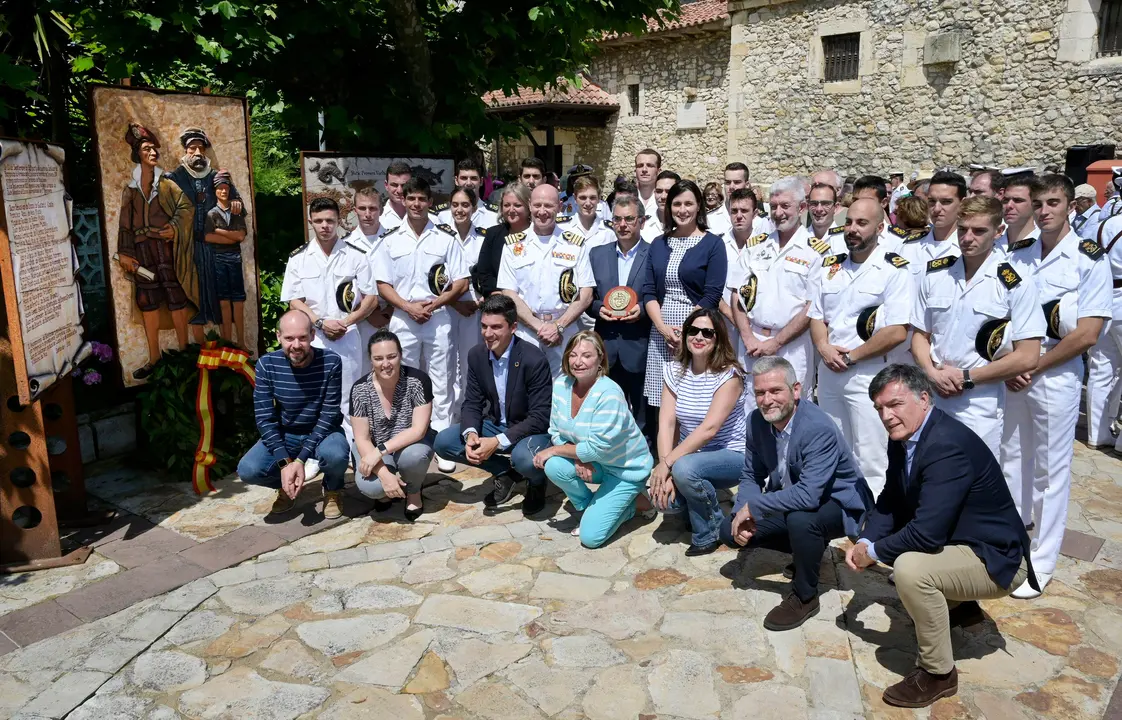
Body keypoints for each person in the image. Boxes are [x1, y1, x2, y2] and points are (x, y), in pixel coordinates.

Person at [848, 364, 1034, 709]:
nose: (887, 416)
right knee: (907, 565)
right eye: (880, 408)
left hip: (997, 559)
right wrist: (865, 538)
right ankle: (962, 606)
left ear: (924, 397)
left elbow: (926, 534)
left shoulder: (946, 445)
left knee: (910, 572)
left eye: (895, 404)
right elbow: (892, 495)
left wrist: (873, 551)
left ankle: (938, 674)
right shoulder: (907, 436)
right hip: (964, 541)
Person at [1001, 174, 1112, 597]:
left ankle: (1042, 563)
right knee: (1012, 460)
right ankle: (1011, 544)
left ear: (1069, 206)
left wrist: (1036, 363)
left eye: (1054, 203)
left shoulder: (1088, 257)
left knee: (1049, 471)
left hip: (1056, 375)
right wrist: (1014, 362)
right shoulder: (1019, 254)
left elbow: (1087, 333)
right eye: (1040, 203)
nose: (1045, 210)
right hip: (1017, 372)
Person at [725, 357, 873, 630]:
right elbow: (751, 474)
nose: (767, 400)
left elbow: (809, 496)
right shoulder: (756, 422)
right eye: (760, 392)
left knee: (801, 521)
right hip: (795, 497)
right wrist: (740, 513)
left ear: (795, 390)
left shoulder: (817, 427)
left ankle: (805, 596)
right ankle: (810, 548)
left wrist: (755, 506)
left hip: (839, 502)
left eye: (775, 391)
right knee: (730, 532)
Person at [911, 196, 1045, 448]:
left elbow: (1028, 355)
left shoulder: (1014, 283)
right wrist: (931, 372)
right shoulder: (936, 274)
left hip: (979, 401)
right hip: (932, 393)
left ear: (999, 232)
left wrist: (967, 377)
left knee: (974, 480)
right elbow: (920, 334)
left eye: (979, 231)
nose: (967, 237)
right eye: (962, 229)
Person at [809, 198, 912, 497]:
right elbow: (817, 315)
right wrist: (824, 347)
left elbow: (896, 331)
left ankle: (872, 523)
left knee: (870, 453)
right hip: (829, 371)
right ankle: (840, 511)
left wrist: (852, 357)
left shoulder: (893, 270)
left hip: (868, 374)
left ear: (880, 227)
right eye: (849, 222)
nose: (852, 229)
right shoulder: (832, 266)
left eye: (861, 223)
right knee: (834, 447)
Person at [372, 177, 469, 452]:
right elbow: (382, 284)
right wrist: (407, 307)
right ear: (403, 200)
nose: (416, 204)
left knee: (442, 379)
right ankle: (405, 438)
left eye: (421, 199)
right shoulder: (390, 240)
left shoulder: (445, 237)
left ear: (430, 202)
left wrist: (436, 304)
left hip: (437, 317)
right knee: (402, 379)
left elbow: (462, 282)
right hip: (404, 319)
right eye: (411, 198)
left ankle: (442, 441)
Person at [434, 295, 553, 515]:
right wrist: (471, 433)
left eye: (496, 327)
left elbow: (540, 417)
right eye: (484, 326)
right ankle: (504, 472)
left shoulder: (534, 359)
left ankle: (536, 483)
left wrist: (496, 442)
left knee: (524, 459)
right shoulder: (477, 355)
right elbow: (472, 402)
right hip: (496, 424)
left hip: (530, 430)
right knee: (444, 442)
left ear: (513, 327)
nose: (488, 334)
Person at [536, 331, 654, 548]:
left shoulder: (609, 393)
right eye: (573, 355)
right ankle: (590, 508)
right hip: (594, 460)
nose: (578, 362)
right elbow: (555, 431)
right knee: (554, 466)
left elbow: (597, 448)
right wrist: (580, 457)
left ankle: (635, 502)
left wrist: (556, 450)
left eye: (586, 356)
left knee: (590, 539)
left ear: (600, 358)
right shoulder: (561, 384)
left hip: (625, 469)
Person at [649, 308, 747, 555]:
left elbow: (709, 430)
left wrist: (670, 464)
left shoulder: (729, 375)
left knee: (685, 470)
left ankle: (710, 531)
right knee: (659, 494)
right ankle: (692, 507)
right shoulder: (673, 370)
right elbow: (667, 423)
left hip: (731, 454)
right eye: (693, 331)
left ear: (718, 339)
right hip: (690, 455)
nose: (699, 337)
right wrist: (664, 466)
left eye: (707, 332)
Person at [283, 197, 379, 443]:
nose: (324, 225)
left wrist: (346, 322)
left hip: (347, 335)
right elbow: (295, 300)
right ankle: (316, 450)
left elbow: (371, 299)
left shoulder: (356, 255)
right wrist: (318, 322)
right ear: (310, 222)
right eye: (319, 221)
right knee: (314, 395)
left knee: (350, 394)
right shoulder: (298, 258)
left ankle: (353, 447)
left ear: (339, 221)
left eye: (329, 220)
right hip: (314, 338)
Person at [238, 310, 351, 519]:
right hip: (287, 433)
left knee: (336, 455)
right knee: (248, 469)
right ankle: (287, 485)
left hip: (324, 432)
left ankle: (333, 488)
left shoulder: (331, 362)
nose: (296, 345)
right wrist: (284, 463)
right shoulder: (267, 364)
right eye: (289, 338)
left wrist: (299, 461)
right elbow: (265, 418)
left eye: (302, 337)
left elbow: (329, 414)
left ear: (313, 336)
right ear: (278, 336)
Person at [729, 178, 829, 405]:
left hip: (791, 347)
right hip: (751, 345)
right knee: (751, 411)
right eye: (774, 207)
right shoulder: (756, 245)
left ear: (802, 208)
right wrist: (746, 336)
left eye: (785, 206)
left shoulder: (815, 252)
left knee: (790, 410)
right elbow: (737, 293)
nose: (778, 212)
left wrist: (777, 342)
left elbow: (812, 305)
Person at [641, 179, 728, 432]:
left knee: (693, 402)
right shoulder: (659, 243)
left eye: (688, 203)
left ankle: (690, 461)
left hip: (698, 330)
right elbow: (649, 291)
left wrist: (687, 331)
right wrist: (662, 328)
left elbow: (712, 294)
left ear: (698, 206)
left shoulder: (713, 244)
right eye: (676, 204)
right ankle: (665, 461)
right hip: (662, 331)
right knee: (664, 405)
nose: (682, 209)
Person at [116, 123, 196, 379]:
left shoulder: (167, 183)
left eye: (153, 148)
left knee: (175, 295)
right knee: (147, 301)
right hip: (141, 252)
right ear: (137, 154)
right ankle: (154, 358)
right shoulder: (130, 189)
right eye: (147, 149)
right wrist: (125, 253)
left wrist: (174, 228)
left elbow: (186, 208)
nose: (152, 153)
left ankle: (184, 354)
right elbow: (124, 225)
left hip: (165, 248)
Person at [498, 184, 595, 375]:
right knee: (525, 392)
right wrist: (541, 328)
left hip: (565, 330)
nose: (542, 212)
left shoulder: (575, 244)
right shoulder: (512, 245)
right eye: (538, 205)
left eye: (549, 206)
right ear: (530, 205)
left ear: (559, 206)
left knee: (565, 390)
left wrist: (558, 327)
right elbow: (509, 293)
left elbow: (586, 294)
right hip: (527, 331)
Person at [166, 127, 246, 344]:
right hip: (189, 244)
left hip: (215, 248)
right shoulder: (176, 176)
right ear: (186, 151)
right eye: (193, 148)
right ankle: (198, 343)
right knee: (193, 286)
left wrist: (237, 202)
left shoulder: (214, 175)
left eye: (201, 148)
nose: (198, 153)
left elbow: (233, 197)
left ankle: (226, 340)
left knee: (219, 290)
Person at [350, 329, 435, 522]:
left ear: (401, 355)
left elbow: (418, 430)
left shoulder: (418, 381)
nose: (386, 364)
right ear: (370, 360)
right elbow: (362, 438)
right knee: (372, 487)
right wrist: (384, 474)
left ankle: (413, 491)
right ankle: (386, 491)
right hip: (372, 446)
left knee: (415, 458)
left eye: (392, 356)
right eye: (378, 358)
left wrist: (379, 451)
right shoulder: (359, 389)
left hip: (410, 443)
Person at [587, 195, 652, 438]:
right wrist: (596, 309)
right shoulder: (596, 254)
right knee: (606, 409)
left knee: (642, 413)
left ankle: (644, 453)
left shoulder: (655, 253)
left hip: (639, 344)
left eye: (629, 219)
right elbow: (588, 296)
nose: (623, 224)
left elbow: (661, 295)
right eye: (617, 219)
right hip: (606, 344)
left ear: (641, 222)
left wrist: (643, 309)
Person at [445, 187, 489, 416]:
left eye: (465, 205)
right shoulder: (440, 236)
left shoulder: (483, 238)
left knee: (472, 361)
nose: (459, 210)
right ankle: (449, 416)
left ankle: (471, 412)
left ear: (473, 208)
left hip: (474, 309)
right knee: (446, 364)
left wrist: (480, 302)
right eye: (455, 204)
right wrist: (454, 303)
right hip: (446, 308)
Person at [203, 170, 248, 346]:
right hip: (219, 259)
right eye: (220, 189)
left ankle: (242, 342)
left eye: (226, 188)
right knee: (224, 301)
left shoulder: (236, 211)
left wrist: (219, 231)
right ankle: (228, 341)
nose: (223, 192)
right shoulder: (211, 214)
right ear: (215, 191)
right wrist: (231, 236)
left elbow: (241, 236)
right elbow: (208, 237)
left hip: (235, 258)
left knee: (238, 300)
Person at [343, 186, 394, 337]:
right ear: (355, 210)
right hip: (360, 318)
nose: (367, 214)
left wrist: (390, 310)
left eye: (372, 208)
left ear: (381, 210)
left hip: (394, 314)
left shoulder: (394, 240)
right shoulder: (346, 245)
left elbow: (404, 277)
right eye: (362, 208)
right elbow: (346, 284)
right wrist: (368, 313)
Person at [899, 171, 965, 277]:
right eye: (932, 201)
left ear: (962, 204)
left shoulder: (969, 248)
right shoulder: (911, 247)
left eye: (946, 202)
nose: (937, 209)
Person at [474, 182, 532, 299]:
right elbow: (484, 272)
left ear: (528, 206)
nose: (511, 210)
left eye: (517, 205)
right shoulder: (493, 234)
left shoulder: (538, 233)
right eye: (506, 205)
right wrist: (497, 295)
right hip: (501, 303)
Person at [436, 159, 499, 229]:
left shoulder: (494, 216)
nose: (468, 183)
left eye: (473, 178)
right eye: (464, 178)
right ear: (456, 180)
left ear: (481, 181)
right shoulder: (442, 214)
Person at [560, 175, 613, 248]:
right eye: (583, 198)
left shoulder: (610, 232)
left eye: (592, 198)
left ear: (599, 198)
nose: (588, 203)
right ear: (575, 198)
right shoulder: (562, 228)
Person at [997, 174, 1038, 255]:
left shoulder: (1043, 246)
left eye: (1018, 200)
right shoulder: (991, 243)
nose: (1009, 206)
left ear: (1035, 204)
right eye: (1006, 200)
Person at [640, 170, 680, 243]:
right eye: (659, 191)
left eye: (668, 192)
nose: (663, 196)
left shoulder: (687, 226)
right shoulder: (644, 224)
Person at [380, 161, 414, 231]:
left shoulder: (427, 217)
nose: (399, 190)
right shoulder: (377, 219)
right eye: (394, 185)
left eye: (404, 185)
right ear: (386, 185)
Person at [634, 148, 662, 225]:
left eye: (650, 165)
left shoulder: (665, 198)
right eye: (640, 165)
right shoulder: (626, 196)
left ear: (658, 171)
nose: (644, 169)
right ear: (635, 170)